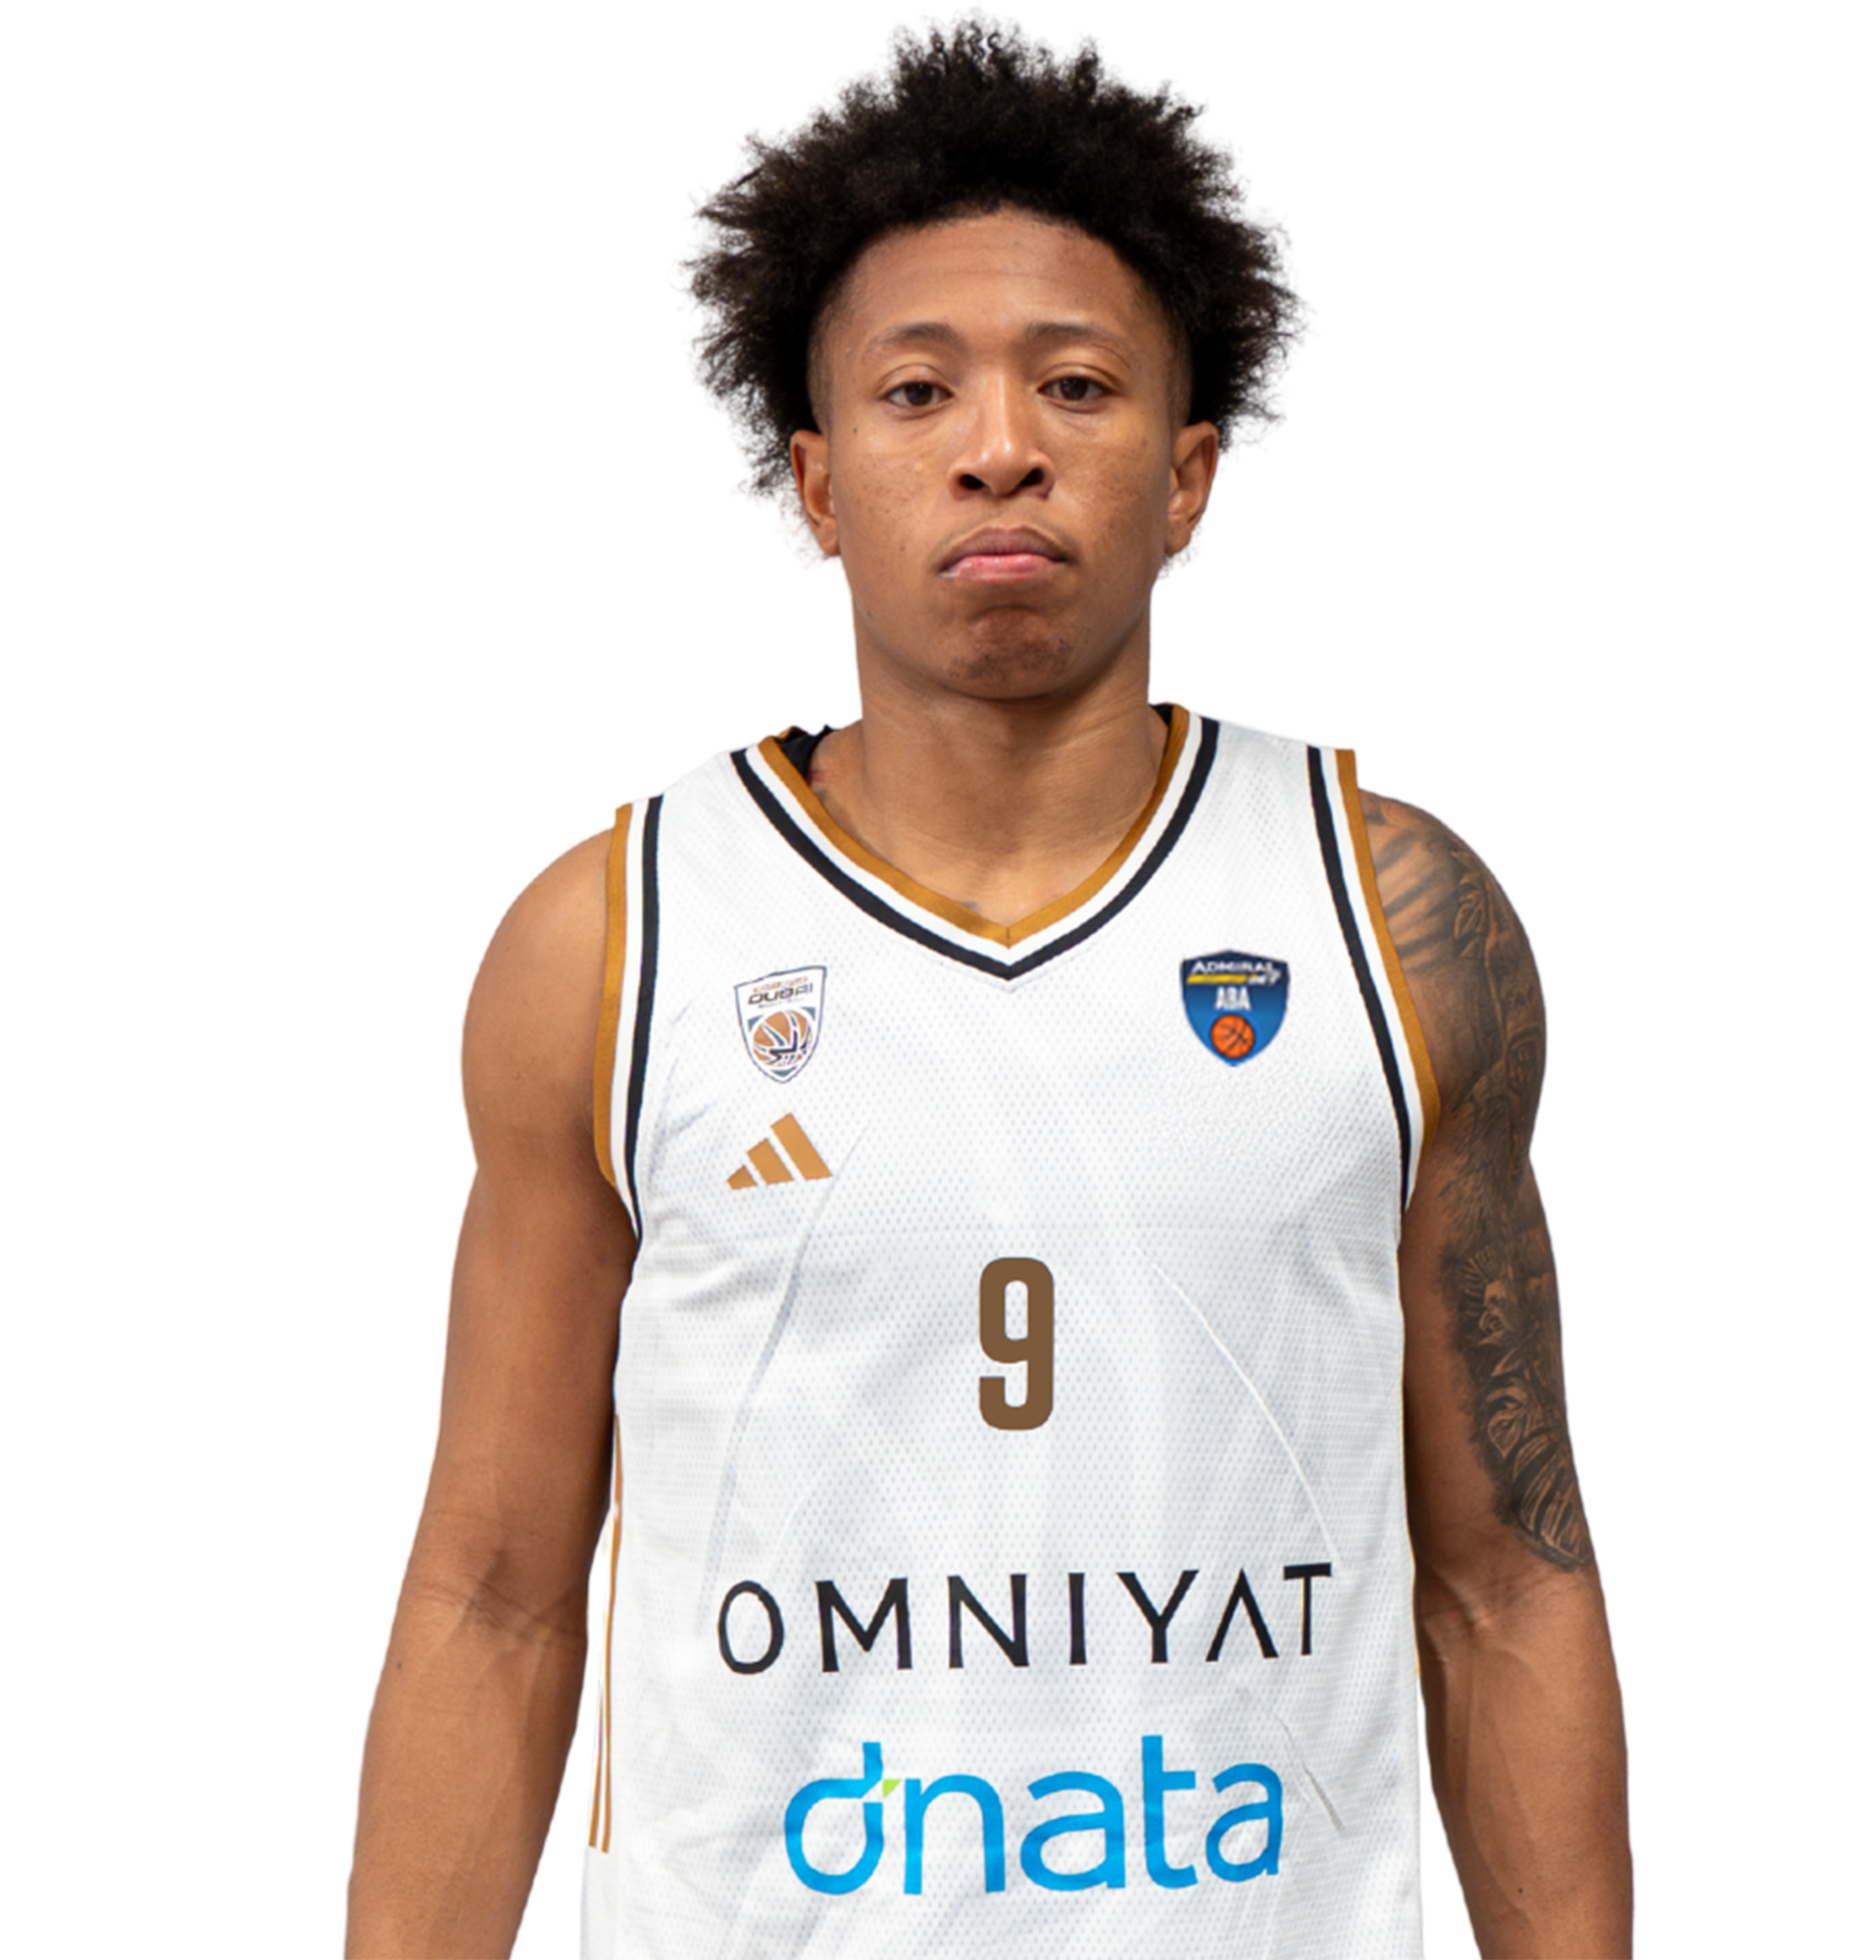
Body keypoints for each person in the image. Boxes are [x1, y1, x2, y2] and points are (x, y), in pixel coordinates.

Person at [343, 17, 1633, 1958]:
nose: (1000, 443)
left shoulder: (1392, 921)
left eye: (1077, 383)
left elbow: (1503, 1582)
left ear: (1190, 476)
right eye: (917, 388)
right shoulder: (616, 940)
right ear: (816, 486)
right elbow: (496, 1598)